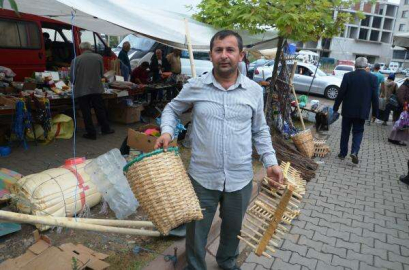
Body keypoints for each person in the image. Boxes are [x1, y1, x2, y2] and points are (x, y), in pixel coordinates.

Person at [155, 30, 283, 270]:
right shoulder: (196, 86)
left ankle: (226, 262)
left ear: (241, 55)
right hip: (202, 177)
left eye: (230, 50)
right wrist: (167, 132)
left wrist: (271, 163)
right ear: (211, 55)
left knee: (233, 228)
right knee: (196, 231)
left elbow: (260, 130)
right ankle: (195, 266)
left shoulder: (254, 91)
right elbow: (172, 109)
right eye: (218, 50)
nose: (224, 55)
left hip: (240, 177)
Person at [333, 57, 378, 164]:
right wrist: (375, 113)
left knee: (345, 132)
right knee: (358, 132)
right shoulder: (373, 78)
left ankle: (343, 153)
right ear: (366, 66)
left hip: (348, 110)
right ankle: (354, 151)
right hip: (362, 112)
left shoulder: (348, 76)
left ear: (355, 65)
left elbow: (341, 93)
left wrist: (335, 107)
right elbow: (375, 97)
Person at [70, 42, 114, 140]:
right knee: (99, 109)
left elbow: (72, 78)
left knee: (86, 112)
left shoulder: (76, 60)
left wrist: (75, 82)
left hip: (82, 90)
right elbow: (102, 73)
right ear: (90, 48)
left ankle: (91, 133)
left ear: (81, 49)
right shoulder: (98, 57)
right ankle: (105, 129)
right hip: (96, 88)